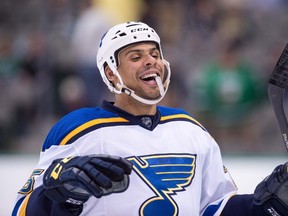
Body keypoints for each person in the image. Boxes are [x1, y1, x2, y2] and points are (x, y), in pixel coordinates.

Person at [12, 21, 288, 216]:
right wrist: (60, 193)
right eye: (136, 56)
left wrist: (265, 206)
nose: (150, 61)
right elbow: (22, 211)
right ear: (110, 72)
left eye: (155, 54)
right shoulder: (76, 129)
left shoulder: (190, 128)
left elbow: (214, 208)